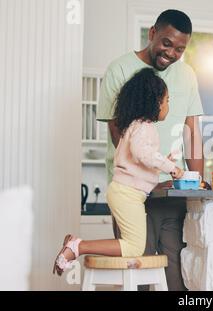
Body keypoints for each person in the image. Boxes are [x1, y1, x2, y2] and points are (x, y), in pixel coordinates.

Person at [96, 10, 204, 290]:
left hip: (172, 191)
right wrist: (155, 175)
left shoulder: (188, 75)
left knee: (176, 269)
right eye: (167, 43)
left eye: (180, 48)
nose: (171, 53)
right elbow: (119, 135)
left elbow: (192, 132)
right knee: (139, 267)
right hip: (132, 193)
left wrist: (196, 184)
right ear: (152, 33)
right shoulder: (118, 69)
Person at [54, 68, 184, 275]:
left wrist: (163, 163)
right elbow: (142, 152)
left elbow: (141, 157)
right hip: (128, 194)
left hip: (124, 192)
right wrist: (172, 168)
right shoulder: (144, 126)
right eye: (167, 100)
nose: (168, 105)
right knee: (134, 246)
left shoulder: (135, 126)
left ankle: (77, 245)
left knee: (132, 244)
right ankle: (78, 246)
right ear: (155, 101)